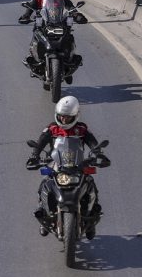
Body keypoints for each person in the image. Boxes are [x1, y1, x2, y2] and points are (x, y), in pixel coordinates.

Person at [25, 96, 110, 239]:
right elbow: (41, 142)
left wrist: (98, 153)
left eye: (67, 118)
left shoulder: (82, 129)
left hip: (77, 166)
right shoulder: (52, 128)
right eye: (61, 117)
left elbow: (92, 142)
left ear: (75, 116)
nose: (64, 120)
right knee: (45, 184)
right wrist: (35, 155)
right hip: (58, 165)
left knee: (90, 184)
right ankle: (44, 212)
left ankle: (91, 216)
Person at [18, 0, 87, 81]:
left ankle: (69, 60)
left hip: (59, 25)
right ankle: (34, 58)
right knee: (36, 35)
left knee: (69, 37)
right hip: (43, 27)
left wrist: (77, 15)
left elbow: (71, 8)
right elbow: (29, 8)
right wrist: (26, 16)